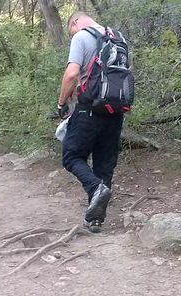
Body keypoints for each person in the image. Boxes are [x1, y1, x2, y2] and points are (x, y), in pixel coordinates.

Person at [57, 12, 126, 233]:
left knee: (71, 156)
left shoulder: (82, 37)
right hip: (115, 111)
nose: (72, 35)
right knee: (104, 164)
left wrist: (61, 104)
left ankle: (96, 188)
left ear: (75, 22)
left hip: (89, 109)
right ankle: (95, 219)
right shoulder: (119, 38)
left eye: (71, 31)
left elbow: (71, 74)